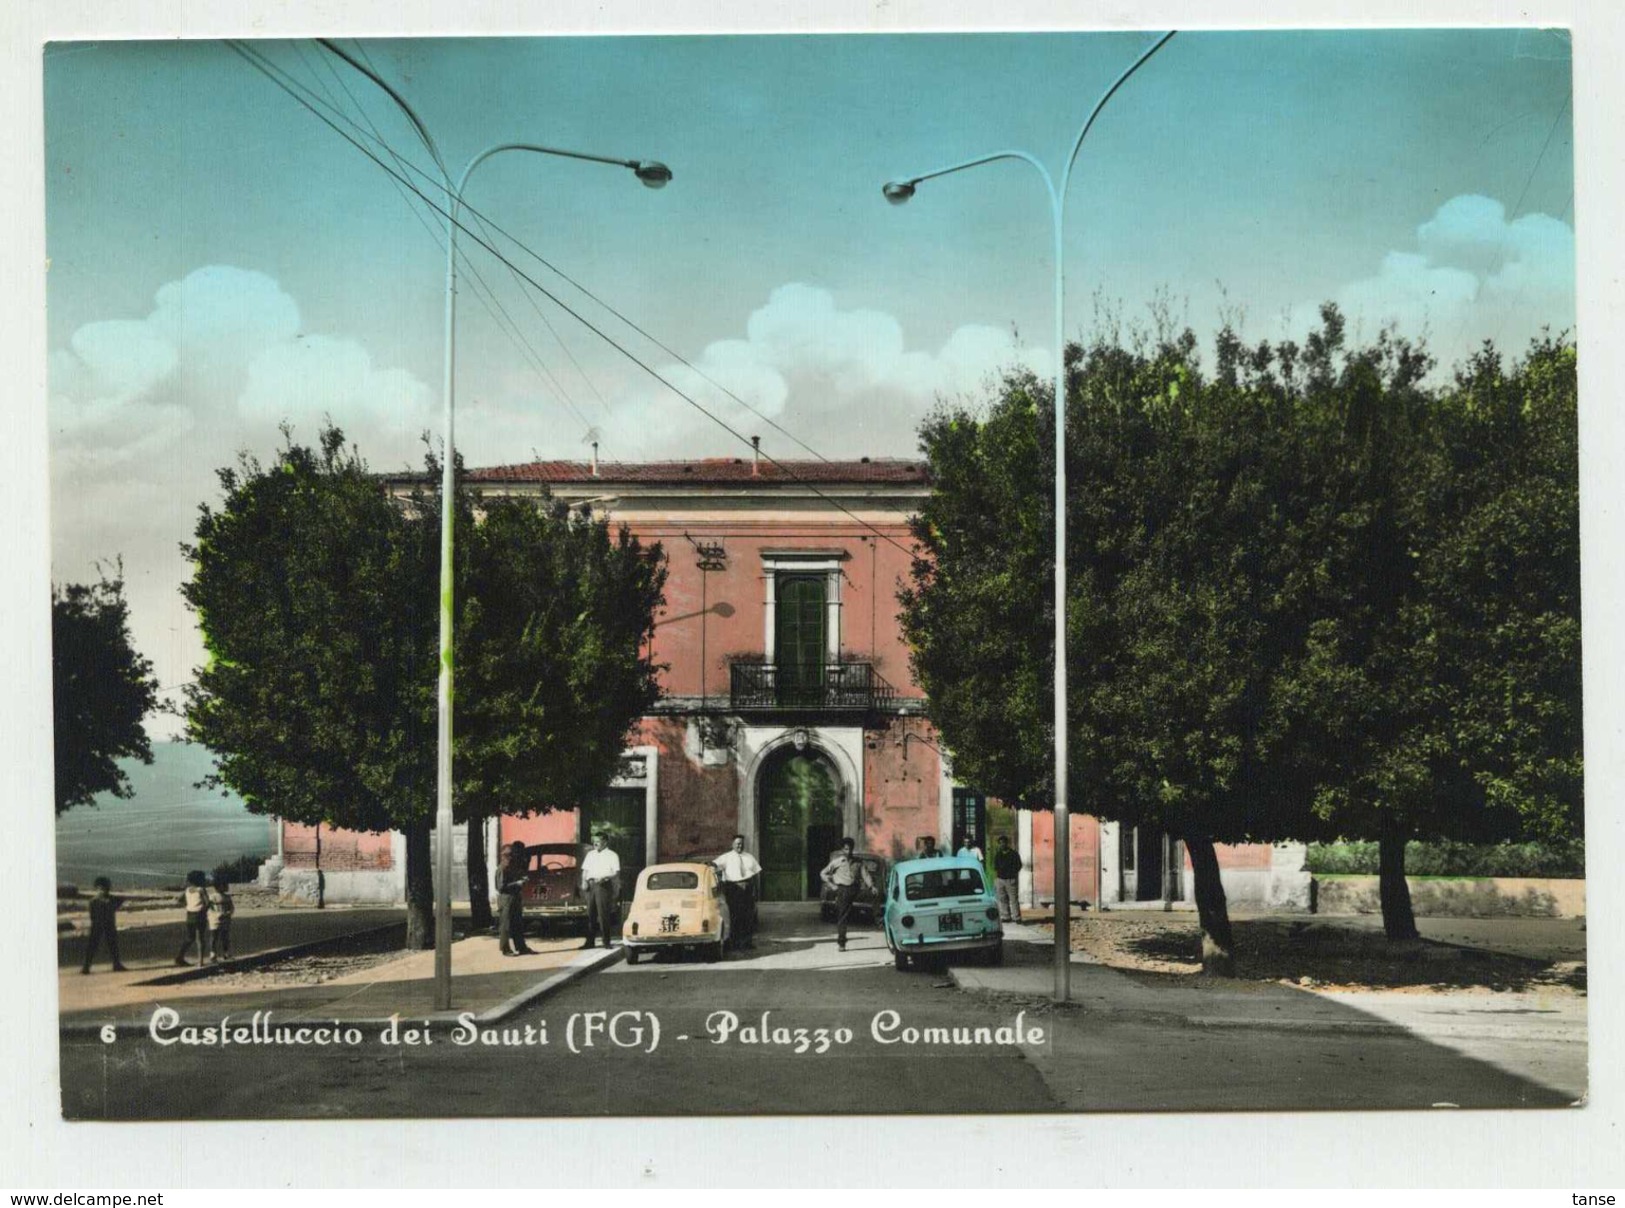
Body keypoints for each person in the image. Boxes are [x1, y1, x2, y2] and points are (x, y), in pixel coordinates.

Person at [819, 837, 875, 952]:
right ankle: (842, 943)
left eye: (850, 849)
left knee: (872, 901)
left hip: (855, 890)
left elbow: (865, 875)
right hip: (842, 890)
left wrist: (871, 886)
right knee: (842, 916)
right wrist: (832, 885)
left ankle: (880, 922)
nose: (848, 852)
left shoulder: (858, 862)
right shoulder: (837, 862)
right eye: (845, 849)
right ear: (842, 850)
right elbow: (823, 873)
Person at [712, 834, 762, 950]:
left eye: (741, 843)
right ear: (732, 844)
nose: (740, 846)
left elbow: (756, 875)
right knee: (734, 916)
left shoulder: (749, 857)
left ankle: (747, 942)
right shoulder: (726, 857)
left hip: (747, 887)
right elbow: (714, 865)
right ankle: (734, 943)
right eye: (737, 843)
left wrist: (756, 891)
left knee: (748, 916)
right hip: (733, 888)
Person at [579, 832, 621, 949]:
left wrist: (605, 877)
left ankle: (606, 942)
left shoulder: (612, 855)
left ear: (605, 842)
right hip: (590, 885)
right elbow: (585, 870)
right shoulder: (590, 854)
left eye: (598, 841)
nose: (595, 843)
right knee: (590, 914)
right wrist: (584, 881)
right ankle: (589, 942)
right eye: (594, 840)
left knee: (603, 915)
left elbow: (616, 872)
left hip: (603, 886)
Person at [80, 876, 126, 974]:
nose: (103, 890)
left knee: (109, 945)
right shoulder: (100, 900)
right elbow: (119, 902)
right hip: (102, 925)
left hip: (101, 924)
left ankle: (87, 967)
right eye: (102, 888)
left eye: (104, 888)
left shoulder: (95, 901)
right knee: (95, 946)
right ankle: (87, 966)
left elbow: (92, 915)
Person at [497, 842, 534, 956]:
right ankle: (505, 948)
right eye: (509, 854)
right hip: (506, 898)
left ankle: (521, 947)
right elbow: (501, 887)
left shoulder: (512, 866)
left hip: (515, 896)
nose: (511, 857)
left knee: (517, 924)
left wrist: (522, 879)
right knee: (506, 925)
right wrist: (517, 883)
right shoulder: (503, 868)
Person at [175, 870, 210, 966]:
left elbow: (179, 900)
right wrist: (204, 910)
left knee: (190, 938)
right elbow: (207, 903)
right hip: (200, 915)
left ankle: (180, 956)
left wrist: (189, 905)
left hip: (190, 915)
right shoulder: (201, 889)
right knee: (200, 939)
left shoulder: (187, 890)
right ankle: (200, 961)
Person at [993, 835, 1023, 923]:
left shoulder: (1014, 854)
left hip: (1010, 879)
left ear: (1007, 843)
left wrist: (1012, 872)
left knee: (1013, 899)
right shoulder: (998, 855)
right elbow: (995, 866)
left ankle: (1016, 917)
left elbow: (1019, 865)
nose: (1002, 845)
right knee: (1002, 898)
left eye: (1004, 843)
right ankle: (1005, 916)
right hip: (1000, 879)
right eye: (1000, 843)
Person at [207, 873, 235, 963]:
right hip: (215, 919)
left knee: (225, 937)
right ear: (219, 886)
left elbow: (231, 907)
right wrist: (216, 914)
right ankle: (213, 953)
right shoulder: (213, 897)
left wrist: (229, 913)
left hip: (225, 918)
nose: (227, 887)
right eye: (225, 885)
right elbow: (209, 908)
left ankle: (226, 953)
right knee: (214, 936)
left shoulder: (227, 897)